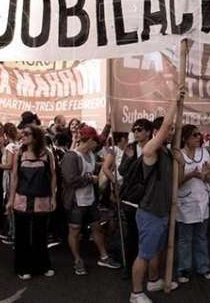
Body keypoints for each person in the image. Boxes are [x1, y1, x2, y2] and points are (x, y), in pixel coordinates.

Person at [129, 91, 182, 303]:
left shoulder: (169, 153)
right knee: (144, 253)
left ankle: (153, 281)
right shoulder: (150, 150)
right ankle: (136, 293)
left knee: (157, 250)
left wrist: (182, 162)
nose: (166, 133)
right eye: (162, 131)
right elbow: (167, 127)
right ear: (156, 132)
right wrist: (174, 102)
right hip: (149, 212)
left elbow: (177, 182)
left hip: (162, 211)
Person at [61, 125, 121, 275]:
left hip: (90, 199)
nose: (97, 144)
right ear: (89, 140)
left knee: (96, 227)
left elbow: (95, 162)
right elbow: (69, 179)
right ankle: (77, 260)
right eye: (95, 141)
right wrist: (90, 179)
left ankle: (104, 256)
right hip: (75, 201)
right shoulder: (71, 156)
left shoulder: (91, 154)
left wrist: (108, 126)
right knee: (74, 230)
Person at [10, 124, 57, 280]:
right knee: (22, 235)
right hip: (22, 199)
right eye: (22, 133)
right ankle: (23, 267)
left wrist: (53, 197)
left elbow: (53, 176)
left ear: (36, 136)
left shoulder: (47, 153)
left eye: (27, 134)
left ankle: (42, 265)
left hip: (42, 200)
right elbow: (14, 177)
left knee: (41, 235)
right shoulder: (19, 153)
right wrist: (10, 200)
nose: (23, 136)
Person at [176, 124, 210, 283]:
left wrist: (206, 176)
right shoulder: (179, 155)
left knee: (201, 237)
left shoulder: (204, 152)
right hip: (185, 202)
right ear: (185, 138)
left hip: (202, 201)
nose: (198, 137)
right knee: (185, 238)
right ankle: (184, 270)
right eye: (194, 135)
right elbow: (176, 182)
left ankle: (203, 267)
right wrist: (192, 174)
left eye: (199, 135)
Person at [118, 118, 155, 272]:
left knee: (147, 234)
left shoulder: (155, 147)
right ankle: (129, 267)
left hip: (150, 197)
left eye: (139, 129)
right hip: (132, 198)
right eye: (134, 130)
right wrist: (129, 158)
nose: (136, 133)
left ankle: (147, 267)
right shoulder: (130, 147)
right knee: (131, 235)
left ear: (148, 132)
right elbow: (122, 171)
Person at [0, 122, 21, 245]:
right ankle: (12, 232)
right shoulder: (16, 146)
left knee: (10, 206)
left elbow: (9, 165)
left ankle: (13, 234)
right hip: (14, 178)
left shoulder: (10, 146)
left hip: (10, 178)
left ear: (5, 134)